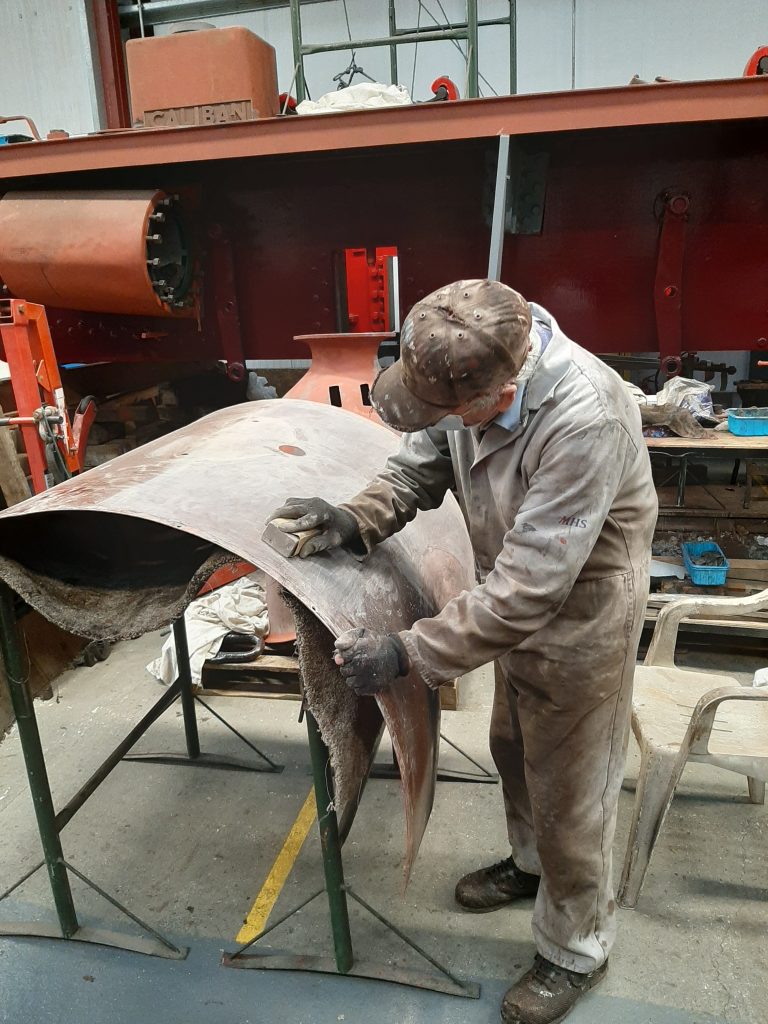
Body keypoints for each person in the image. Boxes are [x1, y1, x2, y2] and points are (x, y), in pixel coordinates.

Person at [268, 279, 658, 1024]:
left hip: (582, 617)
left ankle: (574, 950)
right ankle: (529, 866)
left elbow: (530, 590)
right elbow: (418, 465)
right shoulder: (463, 375)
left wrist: (408, 653)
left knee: (573, 788)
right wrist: (354, 517)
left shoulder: (586, 420)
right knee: (514, 747)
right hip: (514, 599)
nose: (444, 422)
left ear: (504, 388)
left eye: (454, 412)